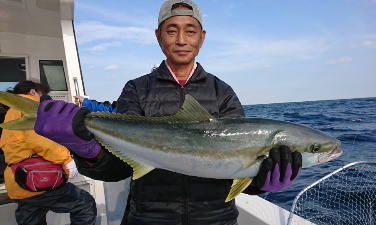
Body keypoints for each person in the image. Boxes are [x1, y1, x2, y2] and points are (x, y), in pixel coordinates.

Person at [33, 1, 302, 224]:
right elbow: (118, 169)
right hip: (148, 219)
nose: (181, 40)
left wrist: (261, 181)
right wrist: (86, 149)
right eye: (172, 31)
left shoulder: (223, 92)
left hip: (216, 219)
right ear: (158, 36)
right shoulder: (137, 89)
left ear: (202, 37)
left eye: (190, 31)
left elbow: (236, 163)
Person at [0, 81, 97, 225]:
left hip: (17, 181)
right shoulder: (31, 105)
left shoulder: (11, 112)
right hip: (38, 177)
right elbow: (38, 139)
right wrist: (66, 160)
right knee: (85, 205)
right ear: (33, 92)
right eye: (43, 95)